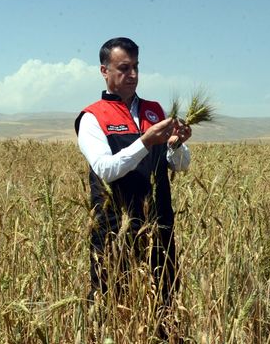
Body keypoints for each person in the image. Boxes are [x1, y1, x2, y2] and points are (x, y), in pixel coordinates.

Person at [75, 38, 192, 308]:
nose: (133, 75)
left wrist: (177, 145)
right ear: (104, 71)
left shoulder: (155, 110)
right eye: (124, 68)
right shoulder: (92, 117)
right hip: (114, 229)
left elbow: (180, 166)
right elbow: (105, 169)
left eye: (136, 67)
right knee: (113, 306)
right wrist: (146, 141)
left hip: (160, 224)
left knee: (164, 303)